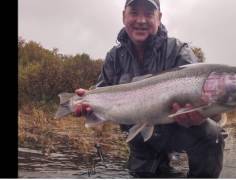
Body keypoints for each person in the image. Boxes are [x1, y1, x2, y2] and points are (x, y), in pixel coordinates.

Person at [74, 0, 226, 178]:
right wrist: (88, 104)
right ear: (124, 16)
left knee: (212, 134)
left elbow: (204, 95)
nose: (141, 20)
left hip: (180, 131)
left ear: (159, 18)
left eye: (148, 14)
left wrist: (202, 115)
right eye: (134, 13)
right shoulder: (114, 57)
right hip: (140, 137)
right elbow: (101, 92)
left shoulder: (178, 51)